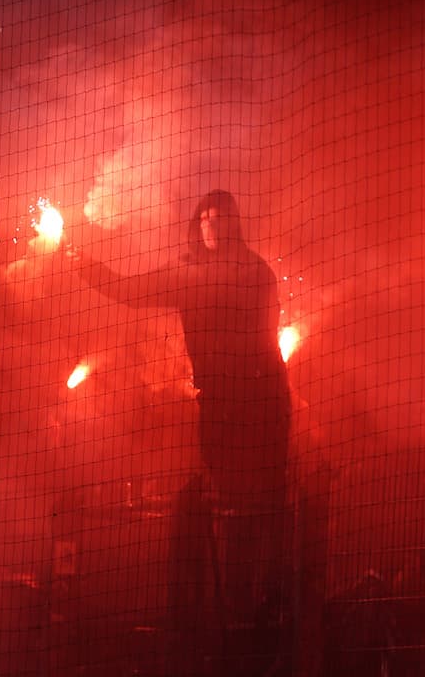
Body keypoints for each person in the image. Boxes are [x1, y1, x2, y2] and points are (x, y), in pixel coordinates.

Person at [68, 189, 292, 668]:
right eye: (206, 218)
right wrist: (82, 263)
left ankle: (261, 618)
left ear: (236, 223)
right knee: (217, 506)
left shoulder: (254, 274)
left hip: (261, 402)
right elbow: (129, 291)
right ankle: (220, 620)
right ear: (199, 224)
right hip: (220, 406)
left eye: (222, 217)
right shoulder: (186, 273)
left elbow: (264, 335)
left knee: (259, 511)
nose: (213, 225)